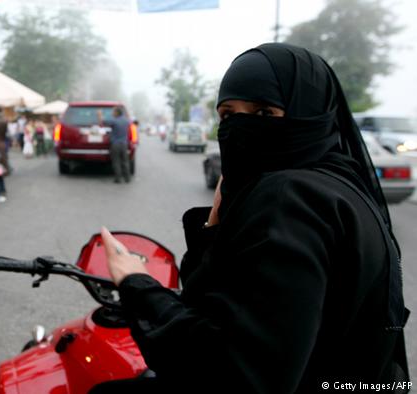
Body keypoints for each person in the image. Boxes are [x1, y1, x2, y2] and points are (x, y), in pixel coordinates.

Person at [95, 43, 408, 393]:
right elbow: (237, 305)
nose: (240, 129)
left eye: (262, 114)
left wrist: (137, 284)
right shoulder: (342, 186)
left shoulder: (291, 198)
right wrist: (214, 228)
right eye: (228, 115)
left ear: (310, 113)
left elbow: (235, 373)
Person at [97, 106, 130, 184]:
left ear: (117, 113)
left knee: (116, 161)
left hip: (116, 144)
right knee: (125, 161)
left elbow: (102, 122)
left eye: (113, 112)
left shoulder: (114, 121)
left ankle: (118, 179)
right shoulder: (126, 120)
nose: (112, 113)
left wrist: (99, 114)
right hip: (124, 144)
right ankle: (127, 178)